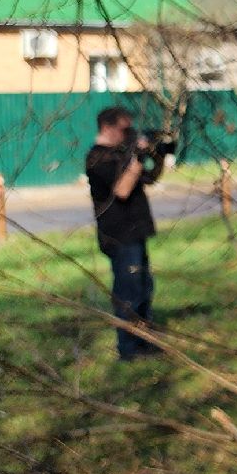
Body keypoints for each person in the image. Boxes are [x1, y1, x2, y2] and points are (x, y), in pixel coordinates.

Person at [85, 106, 169, 360]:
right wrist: (137, 156)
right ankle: (129, 349)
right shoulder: (97, 158)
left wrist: (159, 155)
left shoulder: (121, 155)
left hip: (136, 233)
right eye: (125, 129)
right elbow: (122, 190)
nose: (130, 134)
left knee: (144, 289)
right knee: (128, 294)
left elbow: (149, 179)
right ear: (108, 128)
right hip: (119, 237)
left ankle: (145, 342)